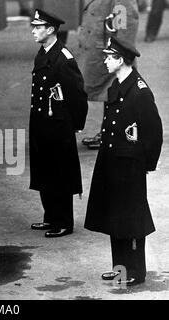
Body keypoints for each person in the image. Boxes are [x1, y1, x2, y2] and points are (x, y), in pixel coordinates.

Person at [84, 37, 163, 286]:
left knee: (132, 220)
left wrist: (145, 165)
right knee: (115, 218)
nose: (105, 61)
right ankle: (120, 269)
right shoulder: (119, 85)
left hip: (130, 166)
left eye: (109, 57)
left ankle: (136, 272)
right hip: (112, 162)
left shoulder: (139, 92)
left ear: (120, 60)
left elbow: (153, 133)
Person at [29, 9, 88, 238]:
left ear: (51, 30)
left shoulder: (63, 58)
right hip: (42, 122)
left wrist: (74, 125)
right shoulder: (43, 53)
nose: (34, 31)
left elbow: (78, 95)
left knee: (60, 174)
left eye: (38, 27)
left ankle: (64, 221)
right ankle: (50, 217)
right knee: (44, 170)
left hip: (58, 125)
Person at [78, 0, 139, 149]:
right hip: (100, 51)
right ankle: (107, 132)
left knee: (115, 93)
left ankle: (113, 134)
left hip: (109, 54)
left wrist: (118, 54)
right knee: (109, 95)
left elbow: (123, 30)